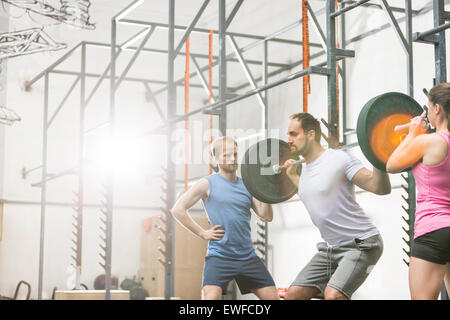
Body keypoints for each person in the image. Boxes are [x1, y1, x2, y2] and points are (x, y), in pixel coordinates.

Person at [282, 112, 391, 300]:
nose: (288, 140)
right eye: (288, 135)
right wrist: (292, 175)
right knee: (294, 295)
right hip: (331, 249)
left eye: (293, 134)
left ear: (310, 134)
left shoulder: (339, 159)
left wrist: (378, 156)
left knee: (334, 295)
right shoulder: (305, 169)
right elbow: (313, 197)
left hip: (362, 243)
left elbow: (379, 187)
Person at [171, 136, 279, 300]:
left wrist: (265, 187)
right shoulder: (207, 183)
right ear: (215, 158)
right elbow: (178, 209)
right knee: (211, 298)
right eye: (227, 155)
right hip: (219, 256)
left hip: (247, 256)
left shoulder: (248, 185)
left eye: (235, 154)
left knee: (273, 298)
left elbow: (267, 216)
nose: (233, 158)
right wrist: (202, 233)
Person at [387, 82, 450, 300]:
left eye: (428, 106)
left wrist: (413, 132)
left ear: (437, 109)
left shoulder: (428, 142)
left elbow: (392, 164)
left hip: (433, 229)